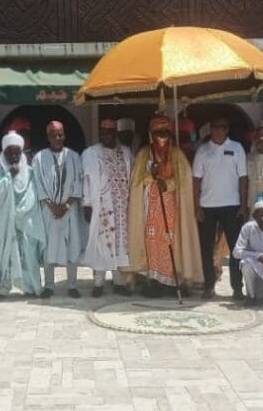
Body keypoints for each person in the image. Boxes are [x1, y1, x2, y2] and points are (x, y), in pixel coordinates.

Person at [123, 116, 202, 297]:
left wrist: (168, 184)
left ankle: (173, 281)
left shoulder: (176, 154)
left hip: (170, 205)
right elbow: (137, 180)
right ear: (151, 134)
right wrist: (152, 177)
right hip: (150, 206)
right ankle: (155, 280)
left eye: (165, 132)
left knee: (170, 241)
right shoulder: (144, 154)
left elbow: (185, 179)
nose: (162, 136)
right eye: (158, 133)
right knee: (152, 242)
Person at [193, 117, 248, 299]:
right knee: (206, 248)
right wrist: (196, 206)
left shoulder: (237, 148)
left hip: (232, 205)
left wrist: (243, 204)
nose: (218, 130)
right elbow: (196, 180)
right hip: (207, 206)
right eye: (215, 127)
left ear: (227, 129)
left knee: (236, 249)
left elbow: (243, 178)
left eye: (222, 127)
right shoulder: (203, 150)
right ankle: (209, 285)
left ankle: (237, 287)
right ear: (211, 129)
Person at [33, 121, 86, 298]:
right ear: (48, 137)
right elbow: (38, 184)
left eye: (60, 134)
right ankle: (49, 286)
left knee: (73, 245)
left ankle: (72, 286)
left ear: (64, 135)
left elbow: (78, 183)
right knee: (48, 248)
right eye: (54, 135)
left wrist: (66, 205)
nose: (58, 138)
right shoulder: (39, 158)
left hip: (69, 210)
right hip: (49, 211)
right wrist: (52, 205)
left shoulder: (74, 156)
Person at [0, 131, 46, 296]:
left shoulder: (30, 171)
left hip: (27, 219)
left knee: (29, 255)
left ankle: (32, 287)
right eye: (10, 153)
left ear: (21, 152)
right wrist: (8, 177)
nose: (13, 156)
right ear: (4, 153)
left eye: (17, 152)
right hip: (6, 221)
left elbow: (34, 194)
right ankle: (4, 288)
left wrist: (23, 212)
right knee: (4, 254)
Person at [81, 119, 133, 297]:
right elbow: (86, 181)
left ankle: (118, 282)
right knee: (102, 244)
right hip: (101, 206)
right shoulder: (91, 153)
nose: (107, 135)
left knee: (119, 245)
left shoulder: (125, 152)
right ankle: (98, 283)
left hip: (122, 209)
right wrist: (86, 204)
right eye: (104, 132)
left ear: (115, 134)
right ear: (100, 133)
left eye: (110, 133)